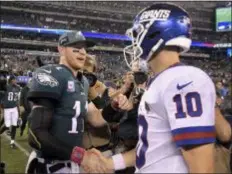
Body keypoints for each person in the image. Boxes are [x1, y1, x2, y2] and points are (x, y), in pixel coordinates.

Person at [88, 3, 216, 173]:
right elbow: (153, 149)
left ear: (155, 34)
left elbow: (201, 167)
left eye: (137, 34)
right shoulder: (163, 80)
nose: (134, 42)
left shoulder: (183, 80)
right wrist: (109, 163)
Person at [25, 31, 131, 173]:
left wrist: (113, 106)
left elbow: (97, 119)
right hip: (50, 164)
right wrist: (82, 157)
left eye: (84, 48)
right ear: (61, 49)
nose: (82, 52)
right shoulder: (51, 73)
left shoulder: (82, 82)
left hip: (73, 163)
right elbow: (36, 134)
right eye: (76, 47)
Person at [1, 75, 21, 148]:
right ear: (11, 80)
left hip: (14, 108)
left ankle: (12, 142)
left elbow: (17, 100)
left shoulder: (18, 88)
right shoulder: (6, 86)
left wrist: (18, 111)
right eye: (14, 80)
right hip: (7, 109)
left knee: (14, 125)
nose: (15, 81)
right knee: (7, 126)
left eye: (16, 80)